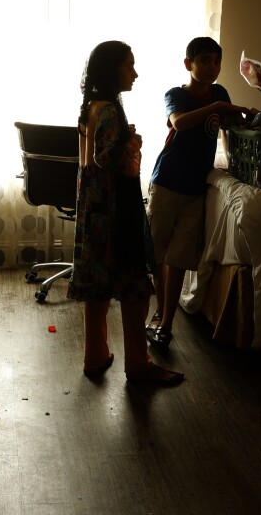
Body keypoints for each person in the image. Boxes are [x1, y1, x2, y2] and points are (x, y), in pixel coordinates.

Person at [72, 40, 184, 386]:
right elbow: (109, 159)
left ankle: (95, 356)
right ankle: (138, 363)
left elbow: (91, 159)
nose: (135, 73)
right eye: (128, 66)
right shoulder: (108, 110)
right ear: (111, 70)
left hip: (93, 207)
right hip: (115, 208)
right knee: (135, 283)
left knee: (98, 284)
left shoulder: (91, 106)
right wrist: (131, 143)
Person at [145, 36, 254, 348]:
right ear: (188, 64)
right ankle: (157, 310)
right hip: (166, 183)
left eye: (216, 61)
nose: (212, 67)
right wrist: (217, 107)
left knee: (179, 257)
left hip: (195, 189)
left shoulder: (220, 92)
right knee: (157, 252)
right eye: (204, 60)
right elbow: (178, 124)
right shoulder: (176, 95)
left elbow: (229, 128)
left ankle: (166, 323)